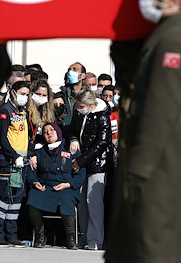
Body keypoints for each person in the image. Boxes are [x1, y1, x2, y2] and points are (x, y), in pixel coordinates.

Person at [106, 0, 181, 263]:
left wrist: (139, 169)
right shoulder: (163, 36)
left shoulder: (173, 43)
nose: (145, 1)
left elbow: (160, 111)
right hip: (158, 158)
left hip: (160, 162)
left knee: (154, 245)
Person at [27, 122, 85, 249]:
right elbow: (31, 173)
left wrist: (68, 184)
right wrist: (35, 182)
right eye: (46, 131)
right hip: (45, 186)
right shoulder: (39, 152)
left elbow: (81, 174)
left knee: (66, 200)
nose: (49, 133)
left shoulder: (70, 148)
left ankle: (70, 237)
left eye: (52, 130)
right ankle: (40, 235)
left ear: (58, 132)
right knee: (32, 199)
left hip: (66, 186)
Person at [68, 89, 111, 250]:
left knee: (93, 203)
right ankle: (84, 237)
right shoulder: (79, 114)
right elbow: (72, 130)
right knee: (82, 204)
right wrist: (73, 139)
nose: (78, 109)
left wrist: (81, 161)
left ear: (91, 105)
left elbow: (102, 143)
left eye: (81, 106)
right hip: (80, 161)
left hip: (98, 165)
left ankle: (95, 239)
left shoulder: (103, 118)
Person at [0, 81, 30, 247]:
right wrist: (14, 155)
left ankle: (11, 234)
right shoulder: (5, 110)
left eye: (27, 94)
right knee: (3, 198)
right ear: (13, 92)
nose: (25, 97)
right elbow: (2, 137)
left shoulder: (22, 111)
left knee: (16, 198)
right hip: (8, 161)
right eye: (22, 93)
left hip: (20, 162)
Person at [27, 80, 55, 147]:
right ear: (32, 93)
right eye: (38, 94)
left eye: (44, 95)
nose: (41, 97)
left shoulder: (47, 111)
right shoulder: (26, 110)